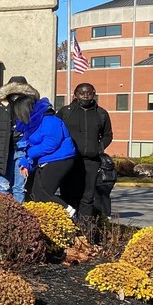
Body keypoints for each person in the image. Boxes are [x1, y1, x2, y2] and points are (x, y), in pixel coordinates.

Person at [14, 93, 78, 216]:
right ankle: (50, 219)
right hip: (45, 160)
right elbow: (29, 146)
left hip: (60, 159)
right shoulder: (30, 124)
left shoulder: (50, 120)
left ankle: (69, 212)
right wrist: (26, 162)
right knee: (36, 194)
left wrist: (31, 154)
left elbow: (51, 143)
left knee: (44, 193)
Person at [57, 83, 114, 221]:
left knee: (87, 198)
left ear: (93, 94)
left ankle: (85, 231)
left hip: (91, 162)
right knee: (68, 195)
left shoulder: (101, 114)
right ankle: (70, 228)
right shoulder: (66, 112)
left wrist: (99, 148)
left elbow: (108, 135)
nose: (85, 96)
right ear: (75, 94)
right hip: (69, 160)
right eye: (82, 93)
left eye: (89, 93)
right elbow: (56, 132)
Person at [0, 76, 38, 203]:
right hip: (3, 151)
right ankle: (3, 219)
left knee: (19, 188)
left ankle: (19, 220)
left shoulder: (32, 106)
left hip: (23, 150)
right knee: (3, 188)